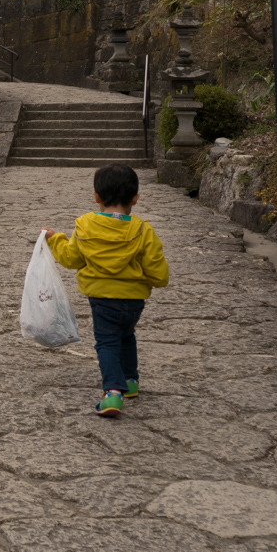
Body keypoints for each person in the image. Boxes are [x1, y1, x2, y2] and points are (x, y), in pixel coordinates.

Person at [41, 164, 169, 417]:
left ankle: (112, 392)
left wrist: (55, 238)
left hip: (101, 299)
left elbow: (71, 259)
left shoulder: (86, 226)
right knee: (127, 336)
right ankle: (130, 381)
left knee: (107, 342)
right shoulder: (143, 231)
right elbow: (159, 275)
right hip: (134, 301)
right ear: (135, 198)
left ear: (96, 197)